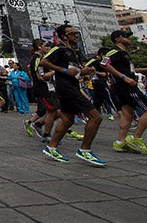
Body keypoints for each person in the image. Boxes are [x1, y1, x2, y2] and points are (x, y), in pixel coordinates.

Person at [40, 24, 105, 166]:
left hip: (72, 86)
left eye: (76, 33)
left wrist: (85, 71)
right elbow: (43, 61)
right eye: (72, 33)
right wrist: (63, 70)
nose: (76, 35)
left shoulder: (73, 52)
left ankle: (51, 147)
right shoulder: (59, 48)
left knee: (67, 119)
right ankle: (85, 149)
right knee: (96, 117)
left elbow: (74, 71)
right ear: (64, 36)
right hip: (67, 89)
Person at [100, 30, 147, 154]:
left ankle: (120, 142)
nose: (129, 39)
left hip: (124, 86)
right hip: (126, 87)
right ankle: (135, 138)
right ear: (118, 39)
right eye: (125, 37)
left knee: (128, 114)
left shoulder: (124, 53)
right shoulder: (114, 51)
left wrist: (145, 69)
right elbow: (104, 64)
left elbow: (128, 70)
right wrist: (123, 78)